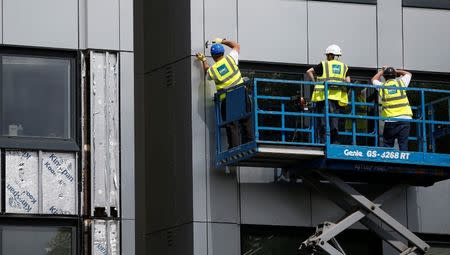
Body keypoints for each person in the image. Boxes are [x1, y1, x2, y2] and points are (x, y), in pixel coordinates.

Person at [195, 38, 253, 149]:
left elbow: (207, 71)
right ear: (223, 53)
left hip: (228, 98)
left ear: (212, 56)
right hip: (241, 93)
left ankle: (234, 148)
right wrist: (222, 40)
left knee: (232, 124)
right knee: (246, 120)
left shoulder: (213, 70)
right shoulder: (230, 59)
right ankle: (250, 144)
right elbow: (236, 46)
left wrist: (203, 60)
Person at [306, 44, 350, 144]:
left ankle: (324, 142)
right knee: (334, 122)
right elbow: (348, 82)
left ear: (330, 55)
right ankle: (334, 142)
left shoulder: (324, 64)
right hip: (337, 98)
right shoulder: (344, 67)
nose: (326, 57)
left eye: (327, 55)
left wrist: (315, 83)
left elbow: (309, 71)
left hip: (324, 97)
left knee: (323, 122)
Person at [371, 67, 413, 151]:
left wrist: (382, 71)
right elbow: (409, 74)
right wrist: (396, 70)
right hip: (405, 119)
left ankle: (387, 162)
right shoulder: (401, 83)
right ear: (395, 76)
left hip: (391, 120)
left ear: (384, 77)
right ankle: (404, 163)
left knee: (388, 145)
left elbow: (373, 79)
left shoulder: (382, 86)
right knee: (403, 144)